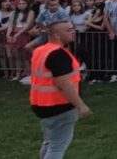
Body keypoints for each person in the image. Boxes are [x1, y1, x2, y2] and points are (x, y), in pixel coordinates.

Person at [30, 20, 92, 159]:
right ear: (57, 35)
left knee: (49, 142)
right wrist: (81, 106)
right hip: (59, 105)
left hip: (41, 104)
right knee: (57, 147)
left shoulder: (40, 50)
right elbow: (64, 84)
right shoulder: (58, 54)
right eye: (69, 30)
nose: (73, 32)